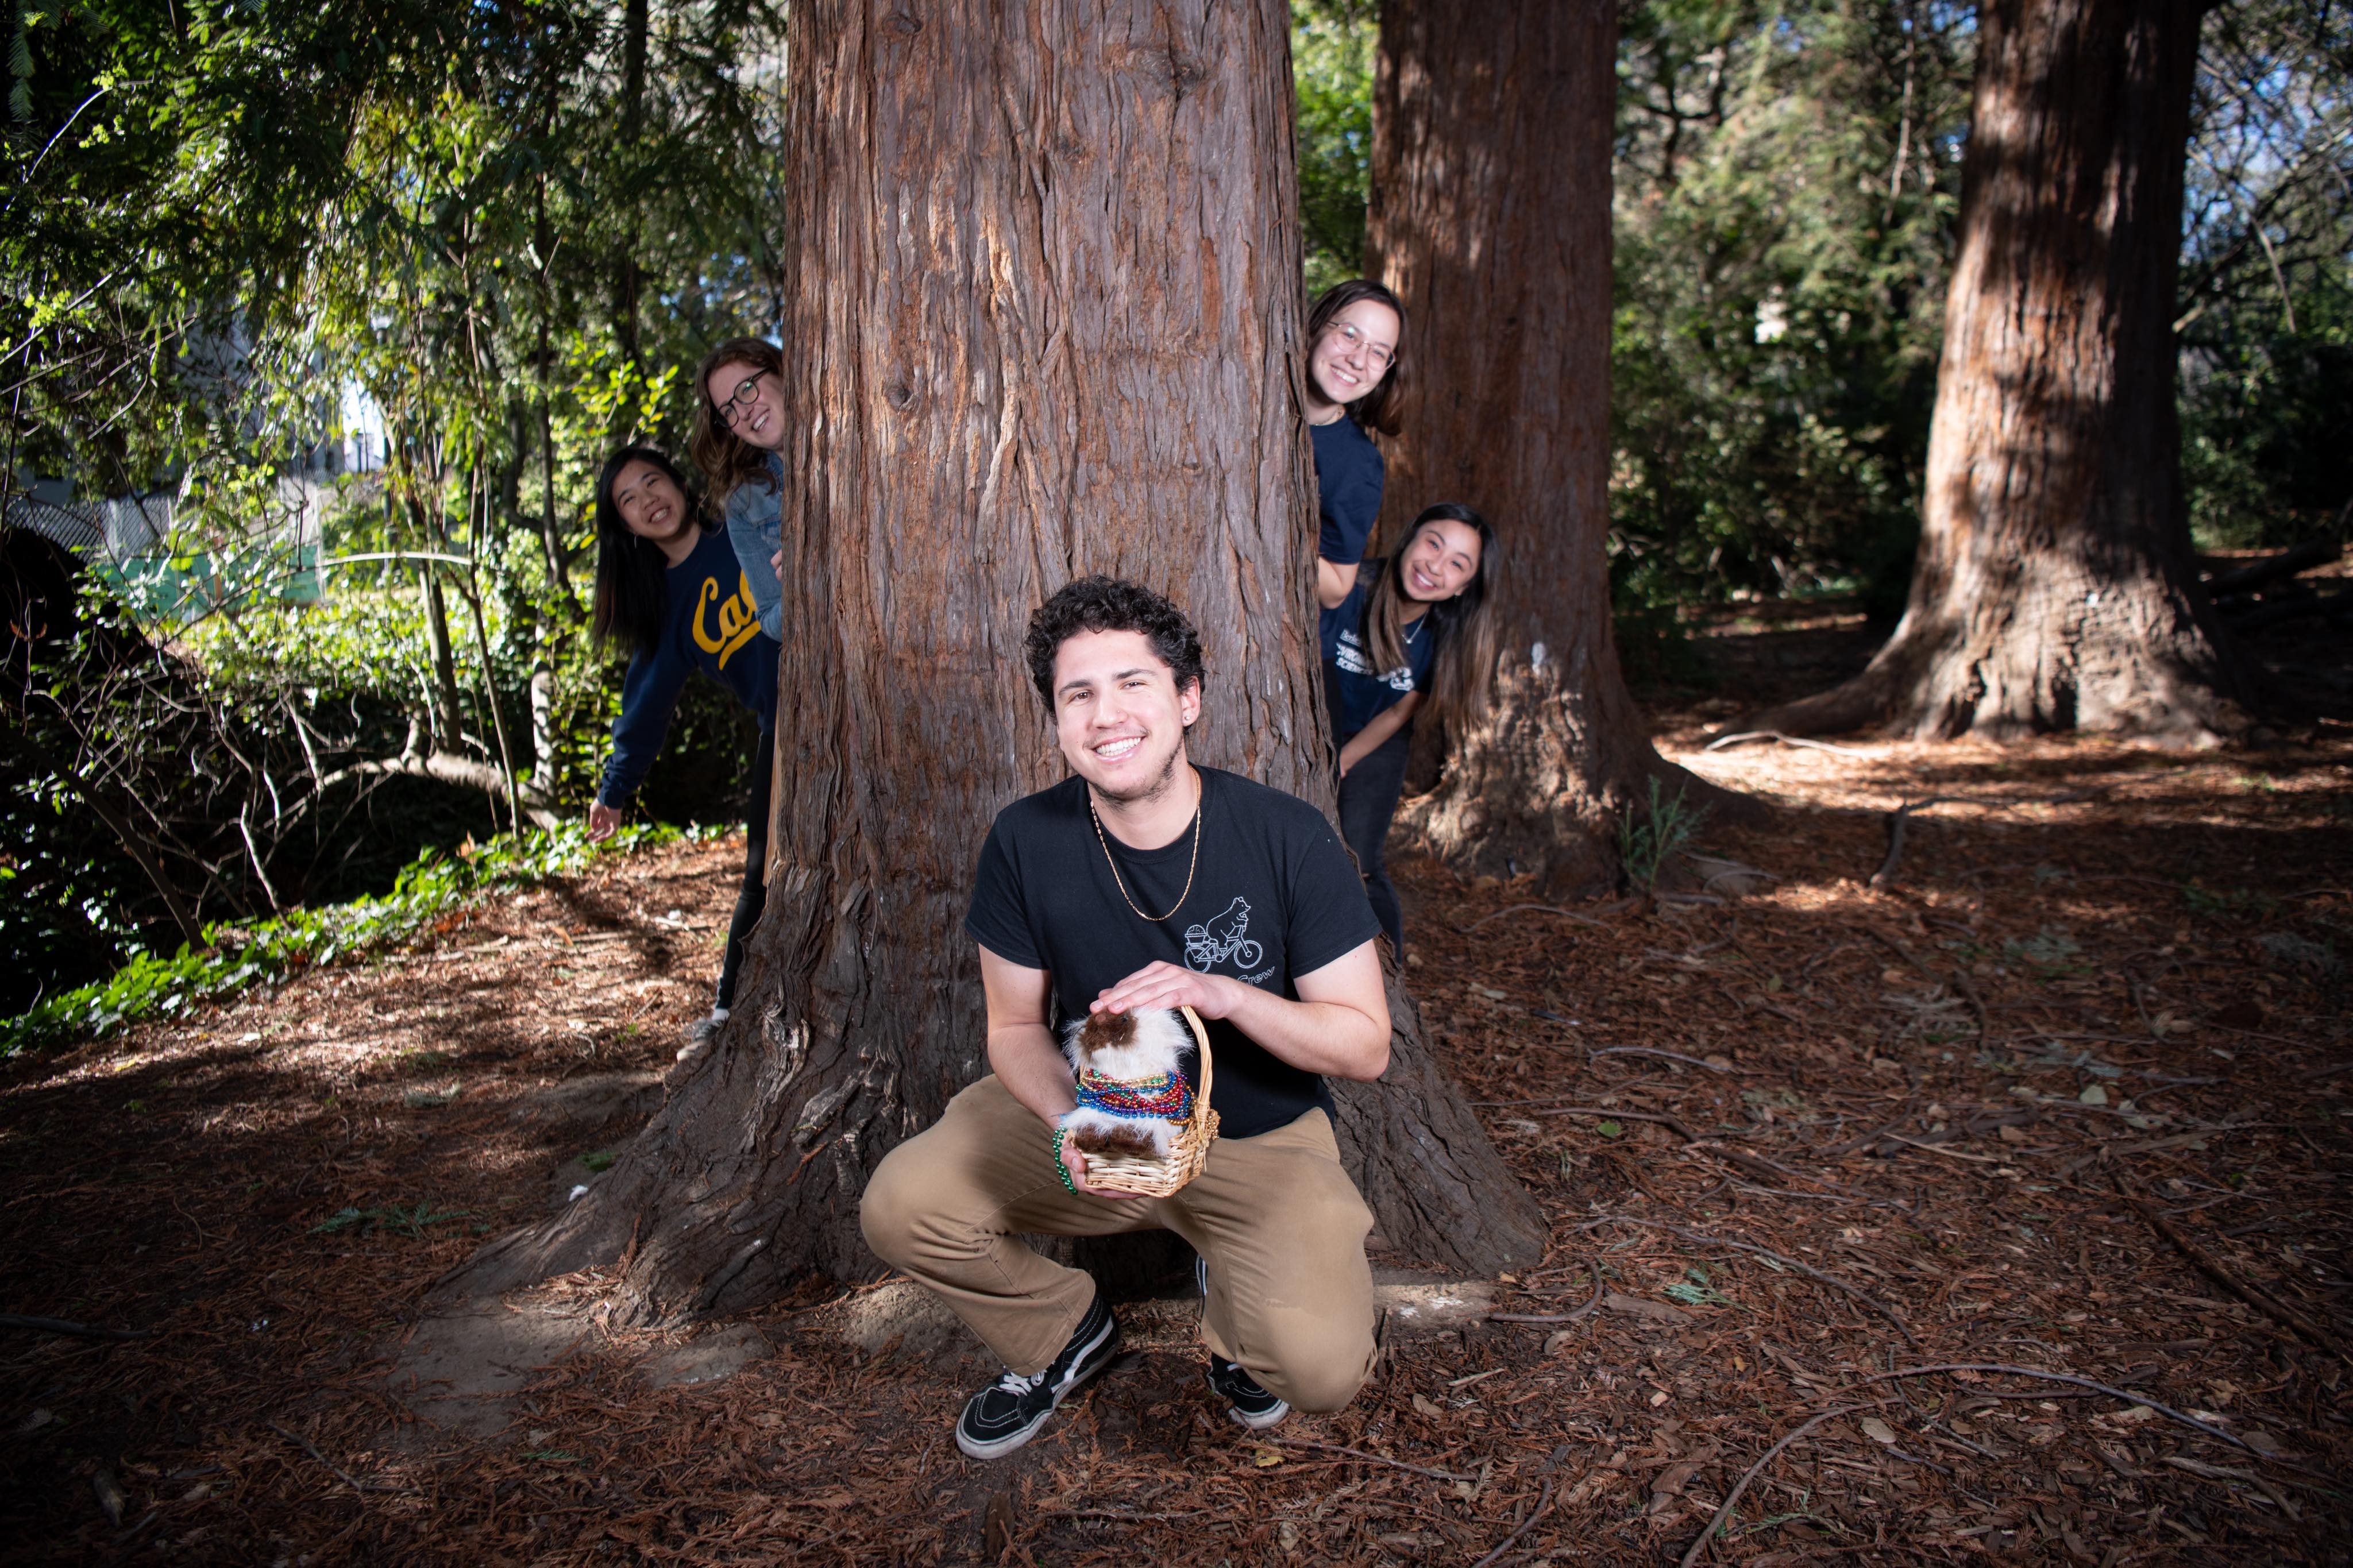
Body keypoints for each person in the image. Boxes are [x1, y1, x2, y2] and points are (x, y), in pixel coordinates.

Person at [861, 577, 1390, 1460]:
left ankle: (1237, 1307)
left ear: (1187, 699)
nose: (1106, 715)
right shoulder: (1026, 839)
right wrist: (1079, 1121)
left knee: (1322, 1368)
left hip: (1259, 1138)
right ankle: (1063, 1335)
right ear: (1059, 721)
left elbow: (1365, 1044)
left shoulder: (1287, 835)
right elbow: (1014, 1030)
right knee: (903, 1206)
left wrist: (1226, 995)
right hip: (1103, 1113)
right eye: (1079, 694)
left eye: (1133, 684)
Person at [585, 445, 782, 1046]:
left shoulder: (742, 529)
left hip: (848, 694)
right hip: (784, 727)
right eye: (629, 499)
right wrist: (615, 790)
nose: (649, 500)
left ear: (676, 481)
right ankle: (725, 1011)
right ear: (624, 524)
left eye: (653, 482)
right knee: (761, 872)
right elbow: (644, 706)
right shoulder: (665, 610)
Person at [1320, 503, 1499, 957]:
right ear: (1410, 538)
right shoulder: (1350, 586)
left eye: (1458, 563)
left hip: (1376, 738)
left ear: (1465, 587)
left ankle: (1387, 970)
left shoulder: (1447, 636)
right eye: (1433, 543)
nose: (1435, 566)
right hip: (1316, 723)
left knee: (1360, 859)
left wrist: (1344, 762)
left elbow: (1400, 713)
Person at [1303, 280, 1405, 609]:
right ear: (1318, 325)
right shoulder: (1242, 383)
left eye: (1378, 352)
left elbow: (1336, 591)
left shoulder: (1360, 465)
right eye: (1349, 335)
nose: (1358, 361)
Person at [689, 336, 790, 642]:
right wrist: (804, 586)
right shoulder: (745, 501)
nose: (744, 412)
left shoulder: (858, 425)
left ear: (781, 371)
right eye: (729, 410)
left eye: (747, 389)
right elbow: (770, 619)